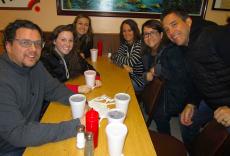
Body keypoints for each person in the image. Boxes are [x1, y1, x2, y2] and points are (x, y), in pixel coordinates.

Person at [0, 20, 85, 155]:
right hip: (10, 148)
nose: (33, 49)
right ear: (8, 46)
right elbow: (18, 133)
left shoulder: (36, 66)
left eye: (38, 44)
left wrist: (80, 102)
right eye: (25, 43)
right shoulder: (3, 79)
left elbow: (54, 89)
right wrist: (77, 125)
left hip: (31, 137)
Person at [161, 8, 230, 149]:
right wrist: (191, 103)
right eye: (167, 30)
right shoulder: (184, 47)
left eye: (174, 24)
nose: (171, 33)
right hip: (212, 101)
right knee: (186, 120)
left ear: (188, 22)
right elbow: (197, 79)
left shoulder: (215, 35)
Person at [141, 19, 190, 134]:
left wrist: (157, 70)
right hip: (159, 91)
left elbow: (179, 73)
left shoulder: (171, 50)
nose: (149, 37)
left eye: (152, 33)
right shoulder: (146, 53)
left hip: (174, 95)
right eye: (146, 34)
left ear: (161, 34)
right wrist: (146, 75)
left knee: (159, 115)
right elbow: (144, 73)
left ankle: (165, 136)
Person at [41, 24, 102, 94]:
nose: (67, 44)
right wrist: (77, 89)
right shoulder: (45, 58)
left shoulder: (73, 54)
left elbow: (88, 67)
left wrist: (96, 78)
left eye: (70, 40)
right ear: (54, 41)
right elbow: (49, 86)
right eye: (63, 40)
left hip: (68, 93)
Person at [111, 19, 145, 92]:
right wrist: (123, 65)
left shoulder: (140, 45)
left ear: (135, 31)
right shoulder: (125, 44)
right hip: (127, 76)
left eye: (129, 30)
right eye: (124, 31)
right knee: (112, 80)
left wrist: (119, 59)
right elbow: (113, 57)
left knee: (117, 85)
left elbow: (130, 62)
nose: (126, 33)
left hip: (138, 81)